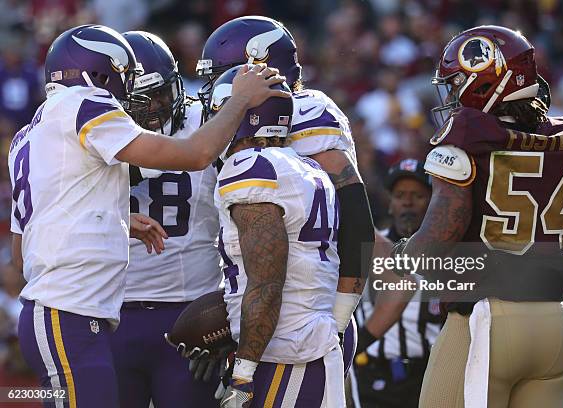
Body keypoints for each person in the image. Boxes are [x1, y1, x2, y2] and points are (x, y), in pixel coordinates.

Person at [9, 24, 288, 408]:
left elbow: (26, 245)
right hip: (81, 312)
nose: (150, 107)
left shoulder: (34, 133)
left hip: (135, 311)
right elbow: (196, 154)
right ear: (101, 74)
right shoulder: (86, 106)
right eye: (133, 87)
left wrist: (110, 217)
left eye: (159, 94)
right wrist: (239, 99)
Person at [392, 25, 563, 407]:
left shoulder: (469, 136)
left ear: (486, 80)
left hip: (486, 318)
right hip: (553, 321)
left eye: (457, 83)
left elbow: (441, 233)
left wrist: (405, 254)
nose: (453, 94)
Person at [197, 16, 375, 358]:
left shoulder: (307, 111)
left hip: (304, 319)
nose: (218, 88)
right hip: (271, 309)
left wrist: (340, 313)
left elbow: (353, 212)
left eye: (226, 75)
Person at [211, 66, 345, 408]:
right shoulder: (307, 166)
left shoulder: (250, 168)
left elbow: (268, 283)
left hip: (286, 349)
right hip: (304, 340)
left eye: (223, 112)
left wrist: (241, 376)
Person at [108, 31, 222, 408]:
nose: (156, 107)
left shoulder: (205, 120)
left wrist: (230, 318)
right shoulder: (97, 130)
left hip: (192, 310)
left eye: (162, 93)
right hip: (112, 310)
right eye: (142, 99)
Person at [354, 159, 443, 407]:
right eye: (400, 195)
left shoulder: (448, 254)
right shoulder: (369, 249)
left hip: (427, 375)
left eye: (418, 195)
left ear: (433, 203)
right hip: (372, 374)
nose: (408, 202)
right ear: (390, 203)